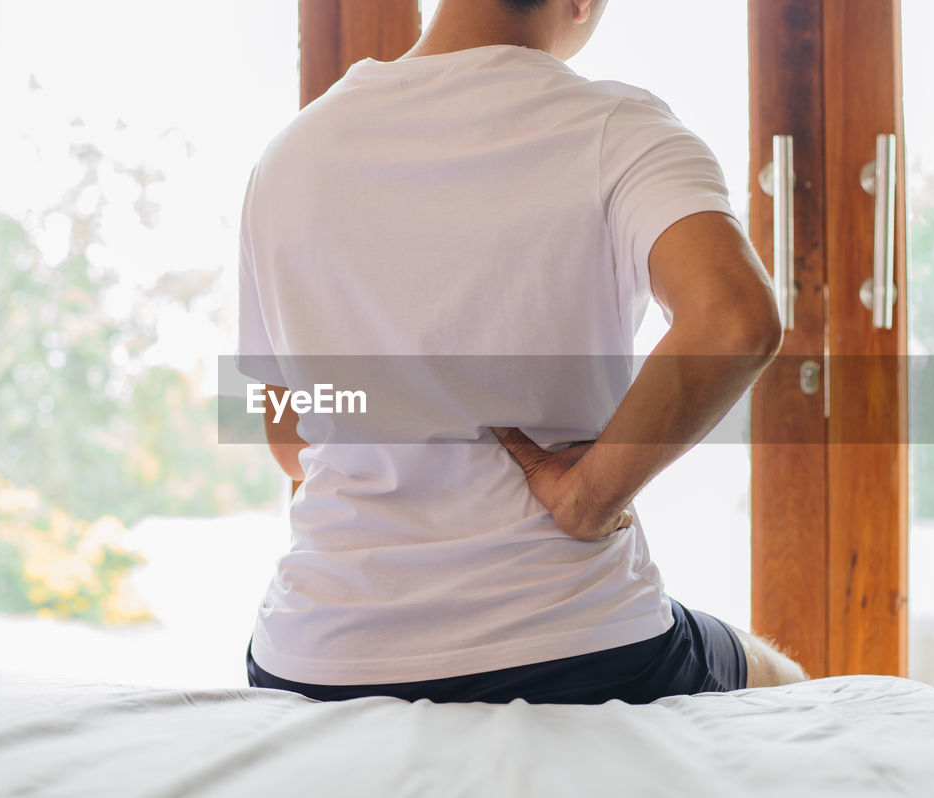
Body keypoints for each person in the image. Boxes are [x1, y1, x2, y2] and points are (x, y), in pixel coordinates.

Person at [234, 0, 808, 704]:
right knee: (789, 686)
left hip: (317, 657)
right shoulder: (619, 128)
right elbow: (733, 319)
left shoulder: (289, 156)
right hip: (576, 646)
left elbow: (292, 441)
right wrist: (587, 500)